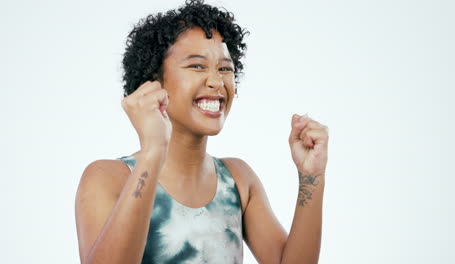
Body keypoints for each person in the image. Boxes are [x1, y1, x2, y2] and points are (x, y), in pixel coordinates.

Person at [74, 0, 329, 263]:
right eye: (197, 66)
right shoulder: (107, 178)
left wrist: (311, 176)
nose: (216, 81)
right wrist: (153, 150)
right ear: (153, 81)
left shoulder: (239, 179)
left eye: (225, 69)